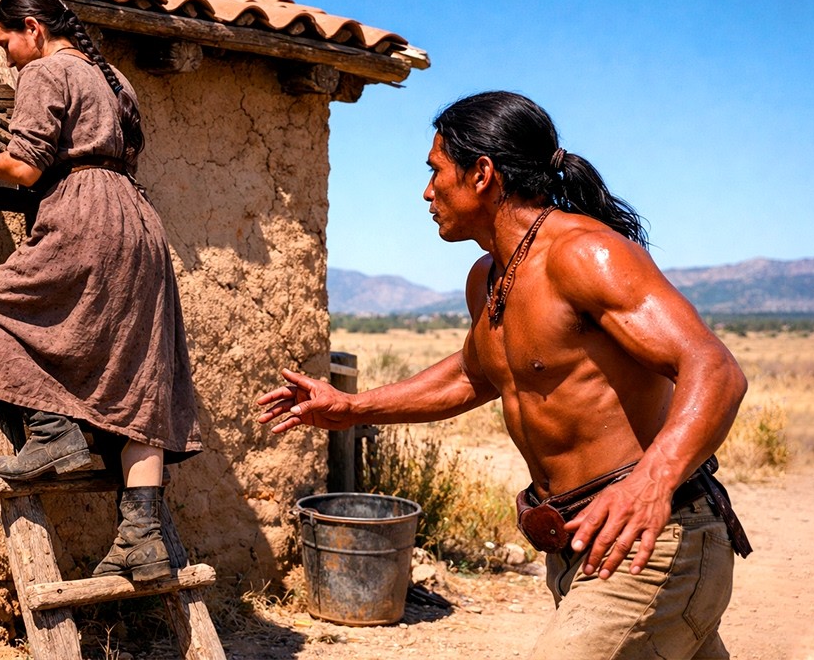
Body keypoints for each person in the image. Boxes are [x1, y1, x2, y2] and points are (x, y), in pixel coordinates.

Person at [257, 91, 751, 659]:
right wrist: (351, 407)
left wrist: (651, 482)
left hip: (651, 542)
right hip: (578, 546)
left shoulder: (583, 255)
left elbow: (713, 366)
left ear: (482, 175)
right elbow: (475, 374)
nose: (426, 191)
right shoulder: (488, 278)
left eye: (435, 171)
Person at [0, 0, 200, 582]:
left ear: (33, 28)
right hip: (139, 223)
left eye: (6, 41)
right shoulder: (113, 77)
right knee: (138, 373)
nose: (7, 56)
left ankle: (53, 431)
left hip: (84, 212)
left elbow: (28, 166)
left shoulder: (46, 73)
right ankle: (143, 538)